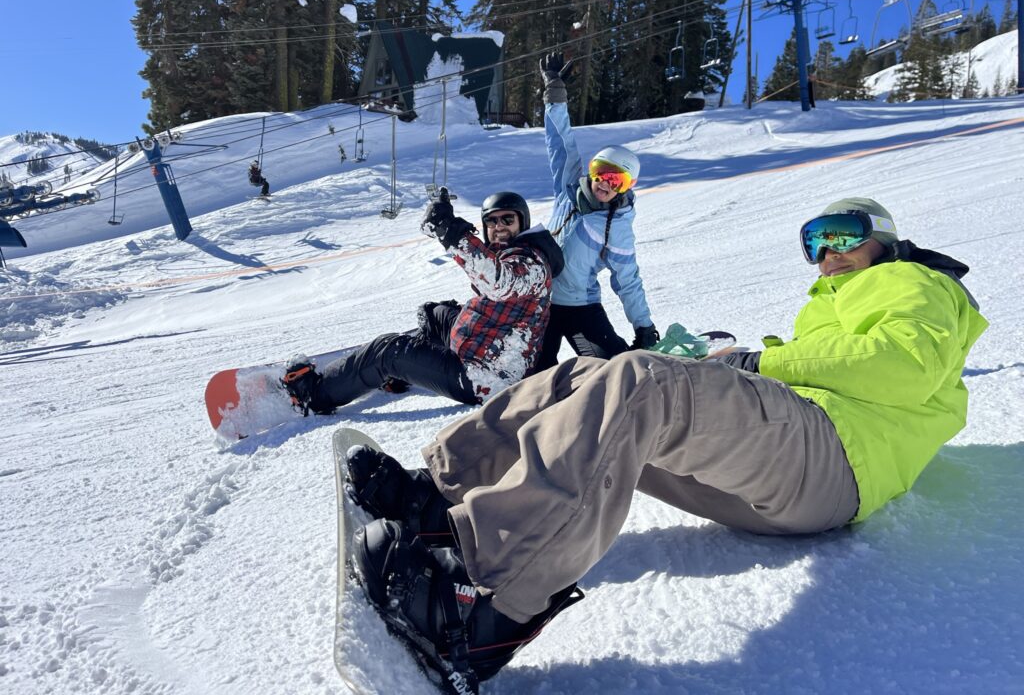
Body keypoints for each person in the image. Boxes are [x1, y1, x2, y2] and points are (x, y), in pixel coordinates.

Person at [343, 197, 988, 692]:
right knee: (588, 375)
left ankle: (483, 612)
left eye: (843, 235)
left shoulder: (914, 284)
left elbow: (900, 363)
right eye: (814, 243)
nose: (828, 253)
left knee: (640, 382)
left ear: (885, 238)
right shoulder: (837, 298)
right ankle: (441, 499)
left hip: (839, 457)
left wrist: (761, 364)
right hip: (800, 469)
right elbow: (826, 363)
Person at [282, 189, 564, 415]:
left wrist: (450, 231)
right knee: (435, 314)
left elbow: (499, 283)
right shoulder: (508, 252)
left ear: (522, 222)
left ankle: (314, 395)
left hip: (484, 378)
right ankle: (401, 375)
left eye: (507, 220)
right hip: (486, 348)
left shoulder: (531, 261)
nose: (498, 227)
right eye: (492, 221)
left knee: (388, 350)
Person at [535, 52, 658, 369]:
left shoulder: (616, 225)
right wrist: (555, 95)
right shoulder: (568, 188)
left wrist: (642, 325)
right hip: (539, 303)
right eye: (601, 171)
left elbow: (627, 278)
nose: (605, 183)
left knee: (611, 369)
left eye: (616, 179)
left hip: (580, 305)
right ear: (591, 170)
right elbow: (560, 142)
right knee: (531, 375)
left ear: (626, 187)